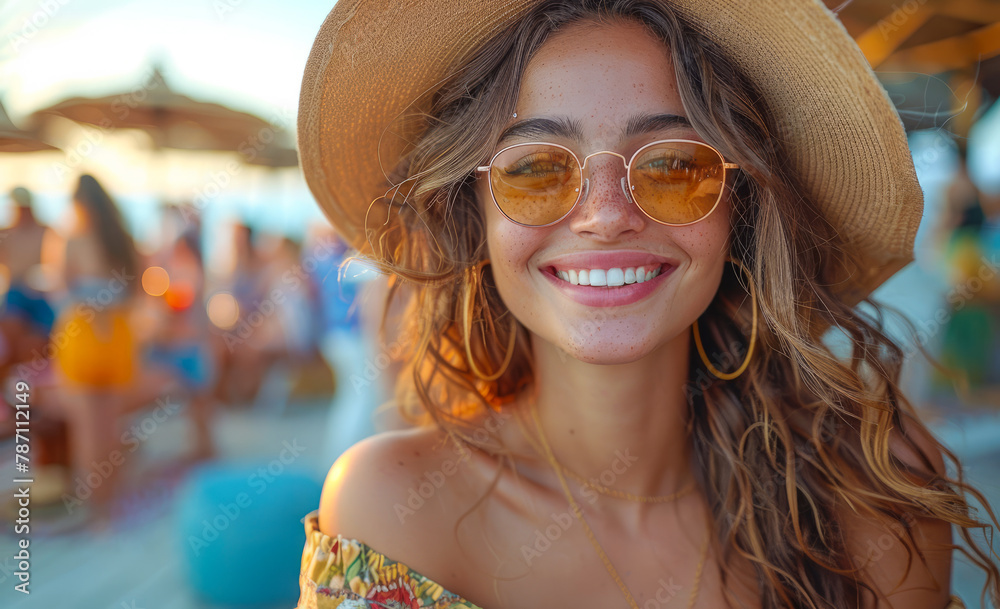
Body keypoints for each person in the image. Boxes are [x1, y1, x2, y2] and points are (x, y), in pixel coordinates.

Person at [294, 1, 1000, 608]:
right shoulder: (390, 510)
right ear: (473, 214)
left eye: (672, 164)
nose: (605, 215)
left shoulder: (871, 497)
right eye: (536, 168)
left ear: (741, 207)